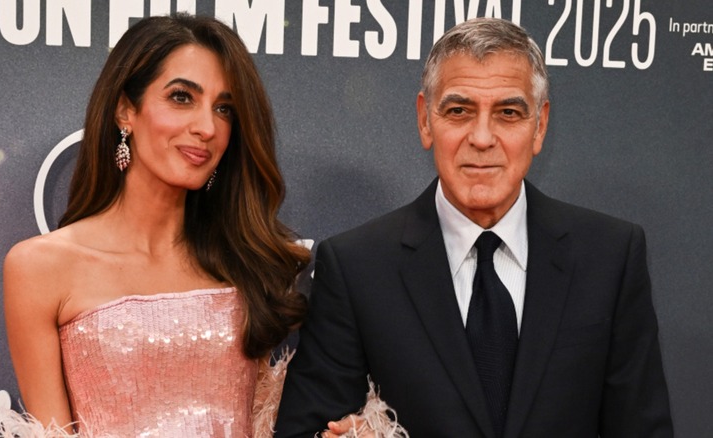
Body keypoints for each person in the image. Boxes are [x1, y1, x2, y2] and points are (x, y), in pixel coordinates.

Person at [275, 17, 673, 437]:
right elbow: (306, 429)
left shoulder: (609, 257)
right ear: (426, 120)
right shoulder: (356, 267)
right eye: (459, 110)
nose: (482, 137)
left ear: (539, 126)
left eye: (508, 112)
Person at [0, 13, 311, 437]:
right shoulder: (39, 267)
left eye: (224, 109)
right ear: (126, 109)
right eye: (182, 97)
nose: (206, 127)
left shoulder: (244, 262)